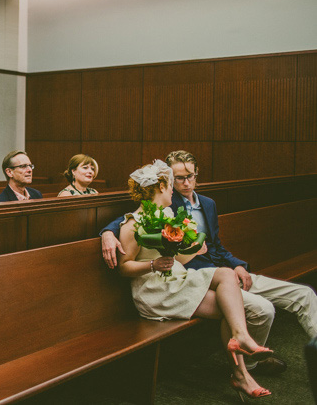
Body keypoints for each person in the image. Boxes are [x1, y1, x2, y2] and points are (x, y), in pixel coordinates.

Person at [102, 150, 317, 376]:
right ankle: (249, 367)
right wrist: (108, 231)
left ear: (197, 175)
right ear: (168, 182)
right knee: (262, 309)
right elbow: (134, 217)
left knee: (304, 295)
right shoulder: (165, 202)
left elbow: (216, 245)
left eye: (190, 176)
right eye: (179, 178)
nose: (186, 183)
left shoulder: (208, 203)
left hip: (222, 271)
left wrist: (237, 265)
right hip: (194, 275)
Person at [118, 160, 273, 400]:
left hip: (178, 280)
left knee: (226, 274)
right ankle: (240, 374)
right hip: (157, 292)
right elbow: (124, 267)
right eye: (170, 185)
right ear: (161, 186)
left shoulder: (167, 214)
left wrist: (194, 247)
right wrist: (152, 264)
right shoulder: (132, 224)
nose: (173, 191)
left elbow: (176, 255)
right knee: (228, 308)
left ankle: (240, 338)